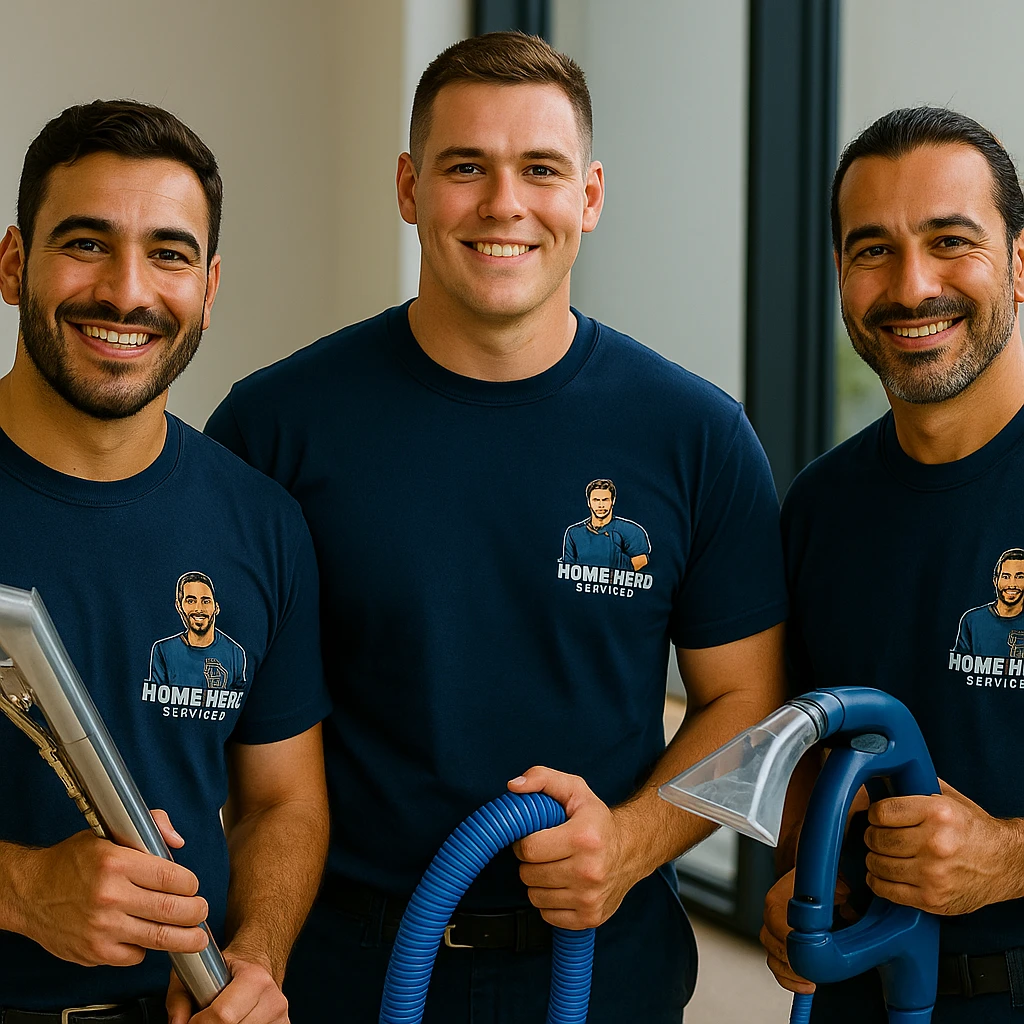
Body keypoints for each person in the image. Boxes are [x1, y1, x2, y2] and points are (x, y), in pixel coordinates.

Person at [207, 32, 787, 1023]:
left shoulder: (695, 435)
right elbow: (222, 716)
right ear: (409, 185)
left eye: (541, 170)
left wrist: (634, 842)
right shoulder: (276, 429)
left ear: (590, 195)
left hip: (600, 965)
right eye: (465, 166)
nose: (503, 204)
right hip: (341, 967)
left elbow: (748, 695)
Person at [0, 100, 331, 1024]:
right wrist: (19, 889)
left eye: (170, 254)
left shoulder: (261, 523)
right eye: (86, 243)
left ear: (209, 287)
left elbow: (283, 803)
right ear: (13, 264)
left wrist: (255, 958)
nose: (127, 291)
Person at [762, 107, 1024, 1023]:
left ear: (1021, 262)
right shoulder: (819, 510)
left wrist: (1008, 857)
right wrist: (805, 876)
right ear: (840, 273)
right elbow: (797, 758)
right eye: (872, 249)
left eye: (951, 241)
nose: (912, 287)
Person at [149, 572, 248, 691]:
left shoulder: (235, 653)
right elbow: (154, 706)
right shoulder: (163, 651)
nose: (199, 609)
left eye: (206, 601)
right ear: (179, 606)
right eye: (191, 601)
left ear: (216, 607)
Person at [561, 478, 651, 571]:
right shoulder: (574, 533)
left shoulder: (631, 531)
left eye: (605, 500)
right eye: (596, 500)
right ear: (589, 502)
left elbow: (642, 560)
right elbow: (568, 569)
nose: (600, 505)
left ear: (613, 501)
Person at [954, 548, 1024, 655]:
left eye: (1020, 577)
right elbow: (958, 667)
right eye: (1006, 576)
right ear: (996, 580)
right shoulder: (972, 621)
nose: (1012, 585)